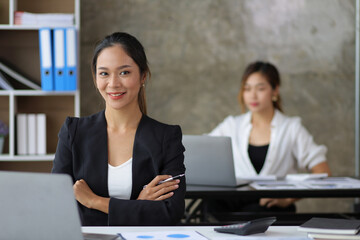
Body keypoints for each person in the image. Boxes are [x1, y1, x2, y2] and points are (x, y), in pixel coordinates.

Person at [52, 32, 186, 226]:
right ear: (95, 77)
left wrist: (93, 201)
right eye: (104, 73)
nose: (113, 84)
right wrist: (138, 206)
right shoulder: (74, 132)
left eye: (124, 72)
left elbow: (171, 211)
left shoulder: (166, 137)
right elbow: (58, 205)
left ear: (143, 76)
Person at [208, 61, 331, 212]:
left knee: (253, 214)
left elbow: (323, 172)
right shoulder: (231, 125)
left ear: (275, 90)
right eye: (247, 89)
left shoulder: (291, 128)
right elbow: (202, 150)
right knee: (208, 206)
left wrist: (288, 199)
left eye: (260, 88)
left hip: (271, 207)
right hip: (233, 203)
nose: (252, 95)